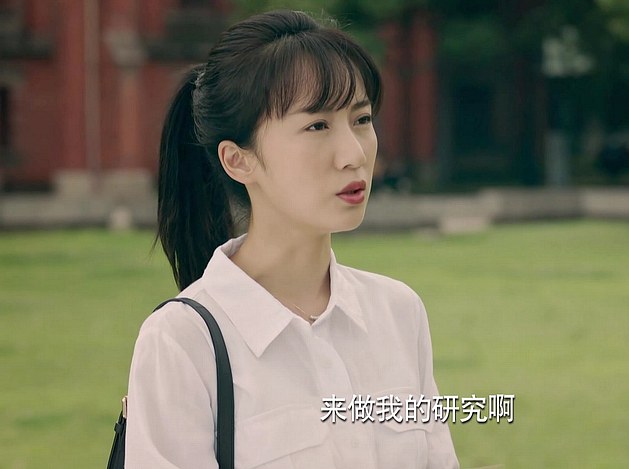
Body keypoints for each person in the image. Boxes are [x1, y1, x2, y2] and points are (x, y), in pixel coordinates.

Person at [125, 10, 459, 468]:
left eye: (362, 119)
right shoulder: (183, 341)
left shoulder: (398, 311)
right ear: (238, 160)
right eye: (317, 126)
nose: (354, 154)